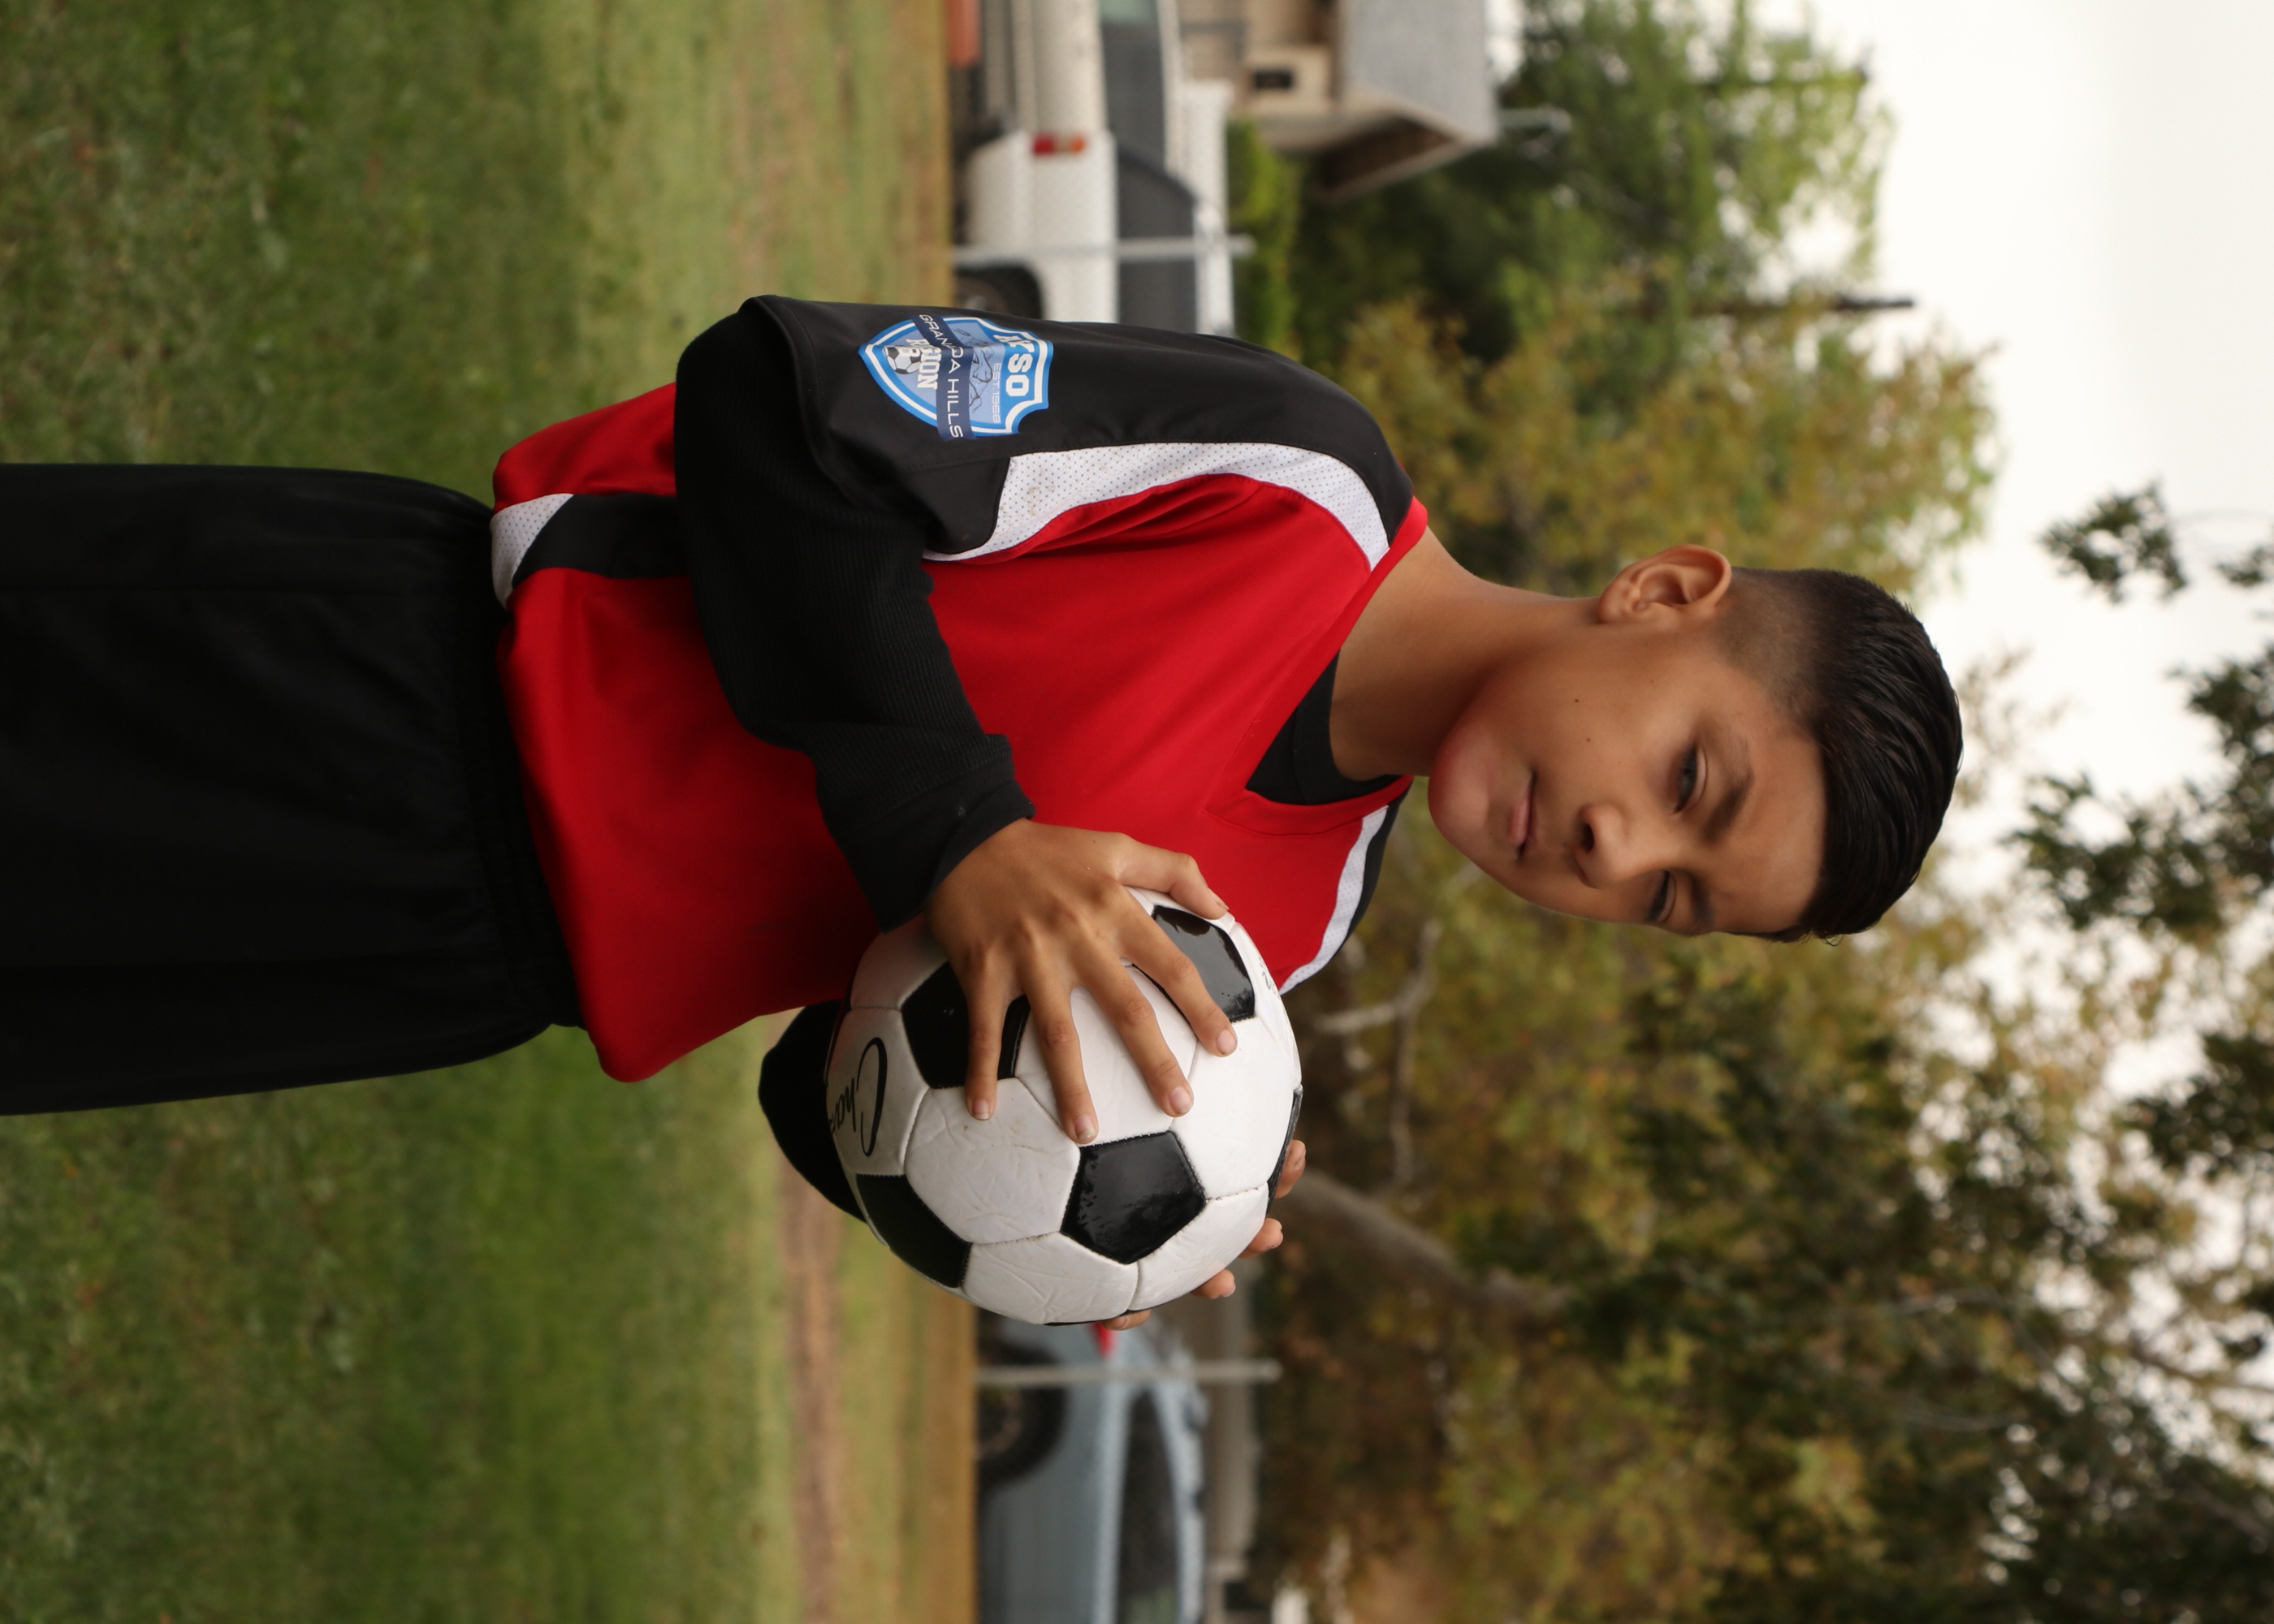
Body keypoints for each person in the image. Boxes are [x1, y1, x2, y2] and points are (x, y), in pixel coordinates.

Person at [0, 296, 1961, 1316]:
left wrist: (1074, 1199)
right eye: (1688, 781)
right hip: (384, 679)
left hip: (448, 968)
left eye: (1673, 898)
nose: (1619, 853)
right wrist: (957, 824)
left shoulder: (1269, 944)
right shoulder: (1288, 482)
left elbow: (838, 1072)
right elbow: (777, 401)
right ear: (1666, 591)